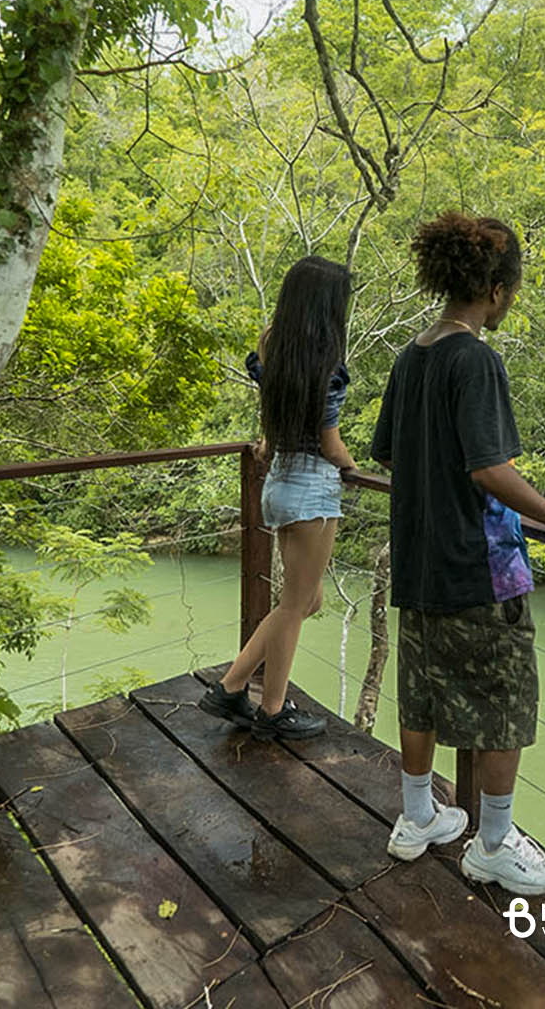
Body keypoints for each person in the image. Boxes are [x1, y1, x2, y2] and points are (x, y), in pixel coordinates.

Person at [371, 211, 545, 895]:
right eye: (513, 288)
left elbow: (386, 452)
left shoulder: (413, 356)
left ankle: (418, 819)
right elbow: (487, 468)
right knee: (505, 702)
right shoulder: (475, 360)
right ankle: (493, 844)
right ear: (496, 288)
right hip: (479, 567)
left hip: (417, 560)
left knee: (422, 693)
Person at [199, 255, 358, 741]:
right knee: (295, 605)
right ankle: (271, 710)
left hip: (280, 482)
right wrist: (353, 468)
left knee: (307, 601)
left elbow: (276, 424)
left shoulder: (273, 345)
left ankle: (230, 687)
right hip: (312, 489)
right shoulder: (324, 359)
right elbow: (330, 444)